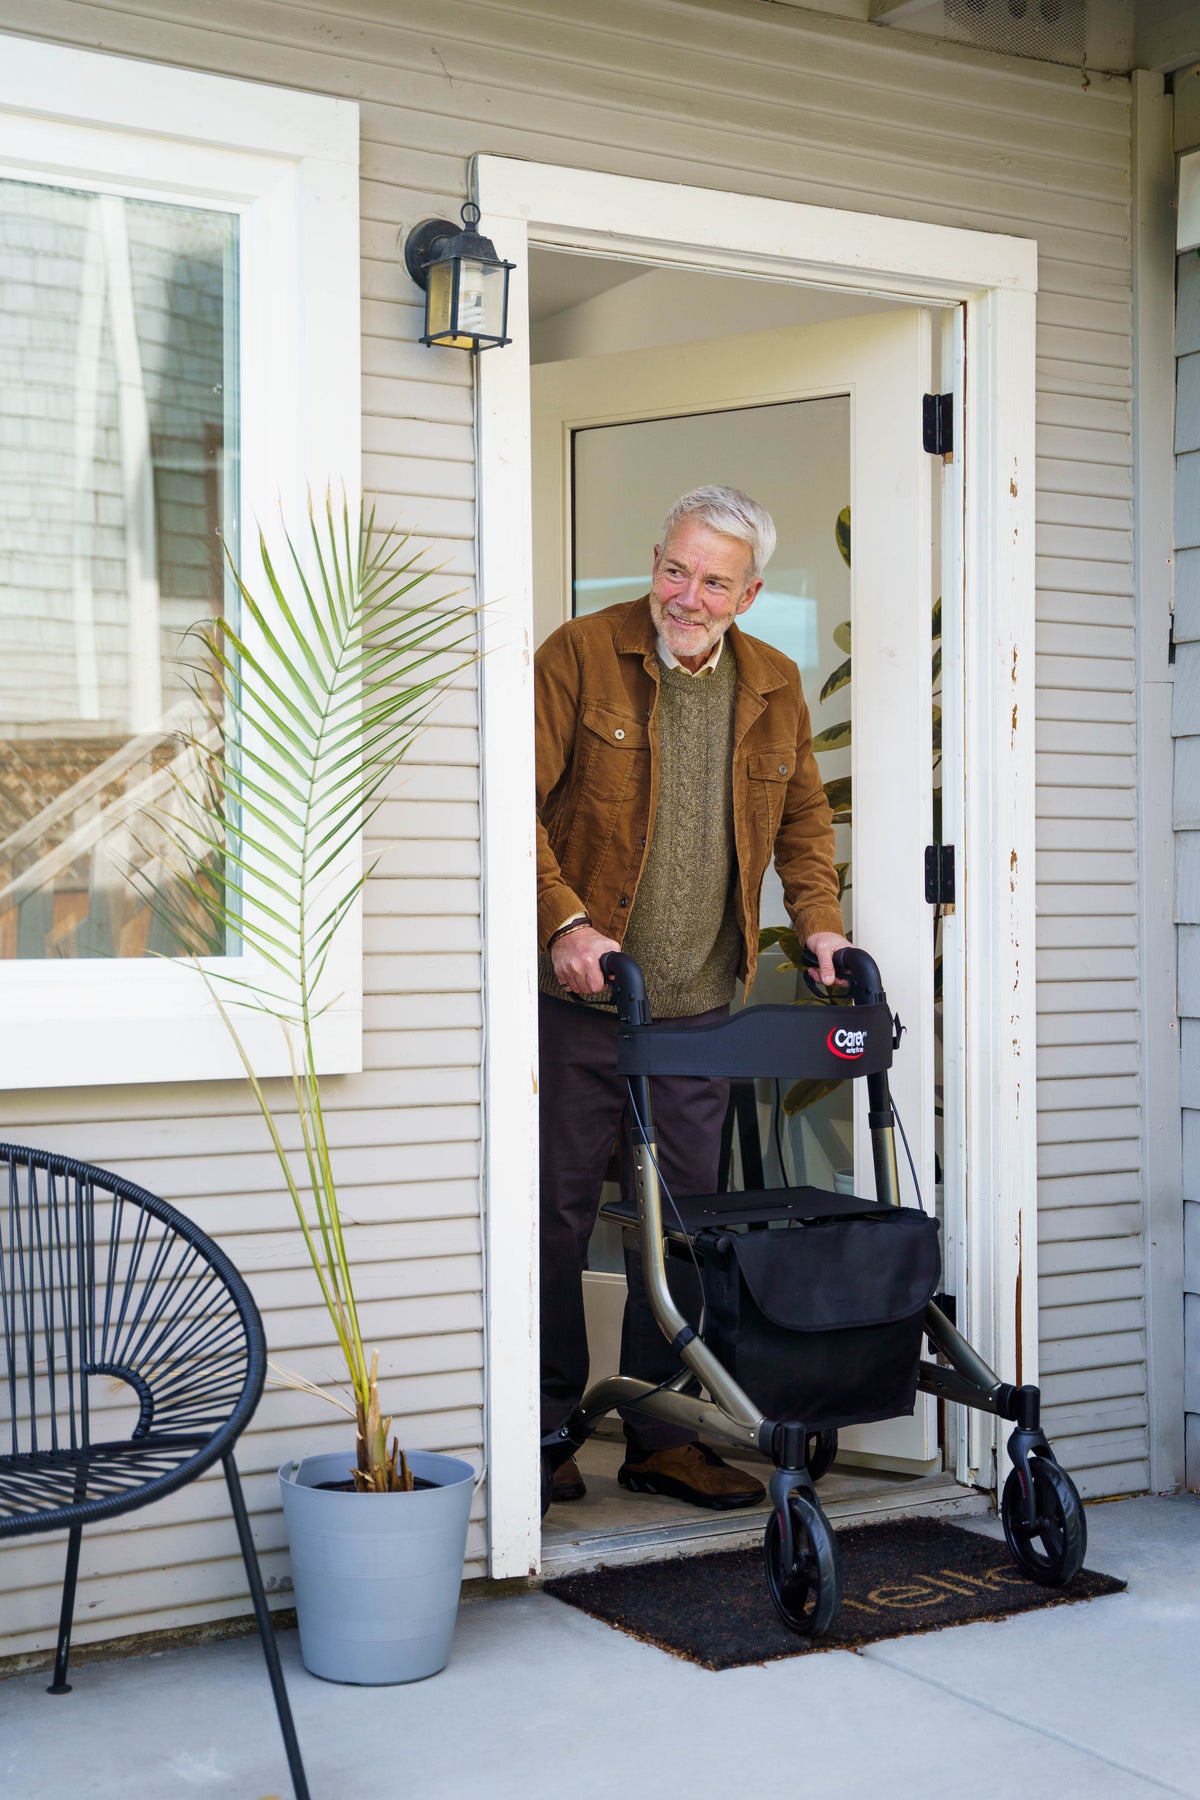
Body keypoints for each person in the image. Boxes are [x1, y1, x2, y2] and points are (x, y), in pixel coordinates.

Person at [535, 485, 850, 1513]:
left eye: (714, 581)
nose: (688, 595)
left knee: (680, 1227)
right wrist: (566, 923)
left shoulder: (773, 682)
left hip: (700, 1010)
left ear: (749, 593)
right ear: (656, 561)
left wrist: (818, 925)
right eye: (676, 569)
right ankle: (545, 1430)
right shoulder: (580, 655)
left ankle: (661, 1435)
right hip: (585, 1006)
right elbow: (510, 808)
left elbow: (804, 820)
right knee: (558, 1215)